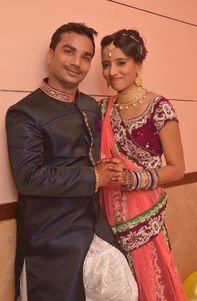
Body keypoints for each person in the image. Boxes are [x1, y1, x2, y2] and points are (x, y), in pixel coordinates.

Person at [6, 23, 138, 301]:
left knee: (123, 287)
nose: (77, 63)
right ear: (51, 55)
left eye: (86, 56)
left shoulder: (91, 106)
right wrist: (95, 177)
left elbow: (99, 155)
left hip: (94, 222)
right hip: (52, 232)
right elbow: (28, 178)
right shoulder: (24, 112)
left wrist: (114, 167)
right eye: (69, 52)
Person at [99, 28, 188, 300]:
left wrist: (133, 179)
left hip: (145, 219)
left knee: (152, 287)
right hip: (108, 219)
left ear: (138, 64)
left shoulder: (159, 107)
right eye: (106, 64)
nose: (112, 70)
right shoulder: (103, 109)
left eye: (120, 62)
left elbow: (177, 168)